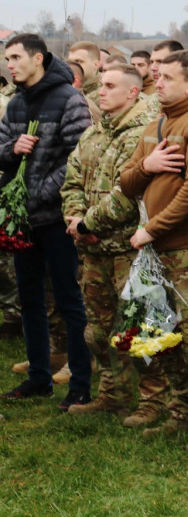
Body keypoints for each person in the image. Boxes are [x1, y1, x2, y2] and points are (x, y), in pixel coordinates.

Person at [118, 50, 188, 450]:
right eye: (156, 75)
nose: (158, 81)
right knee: (164, 339)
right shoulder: (157, 123)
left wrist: (153, 228)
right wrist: (148, 166)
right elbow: (127, 180)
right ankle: (183, 413)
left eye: (166, 77)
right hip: (154, 255)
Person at [61, 64, 166, 416]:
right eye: (100, 85)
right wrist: (74, 218)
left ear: (133, 92)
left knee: (139, 328)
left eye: (109, 86)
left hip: (127, 249)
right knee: (100, 329)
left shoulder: (142, 134)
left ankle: (153, 401)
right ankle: (113, 395)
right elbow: (71, 179)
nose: (100, 91)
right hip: (93, 249)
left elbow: (126, 196)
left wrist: (86, 223)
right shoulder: (94, 133)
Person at [0, 34, 93, 409]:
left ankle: (80, 384)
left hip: (56, 218)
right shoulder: (16, 103)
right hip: (24, 221)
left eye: (16, 57)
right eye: (7, 58)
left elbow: (79, 158)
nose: (10, 65)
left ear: (38, 59)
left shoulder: (70, 100)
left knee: (70, 301)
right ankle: (39, 378)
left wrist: (37, 192)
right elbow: (2, 148)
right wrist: (12, 148)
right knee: (29, 299)